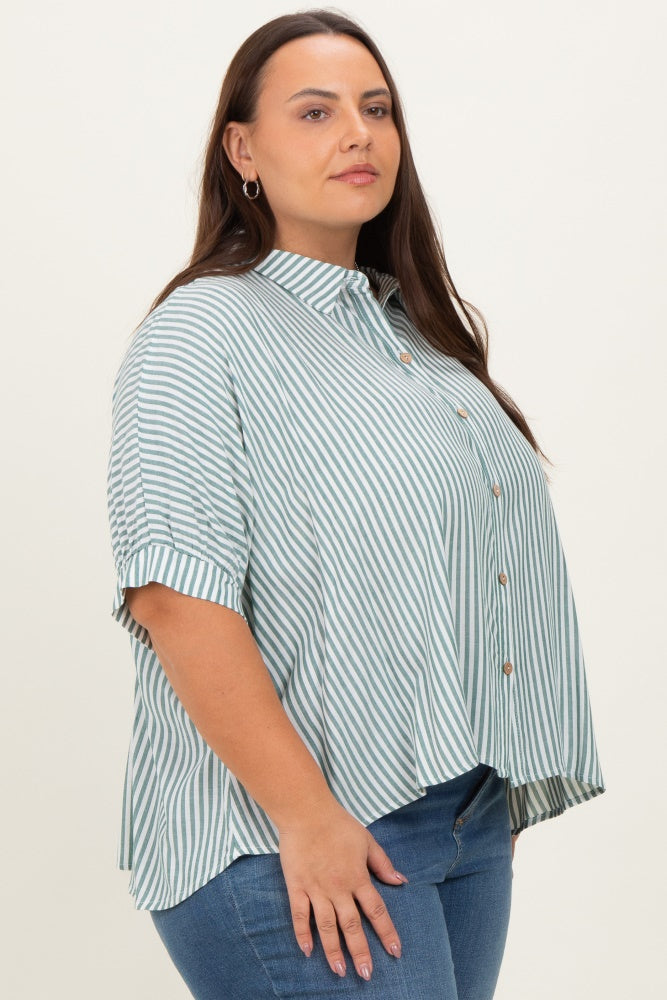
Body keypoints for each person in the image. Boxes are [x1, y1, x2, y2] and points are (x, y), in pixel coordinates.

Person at [106, 9, 606, 999]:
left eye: (376, 109)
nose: (358, 134)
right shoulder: (201, 330)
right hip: (292, 835)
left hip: (459, 821)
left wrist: (481, 793)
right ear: (242, 150)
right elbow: (173, 596)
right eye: (315, 111)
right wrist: (307, 815)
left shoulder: (414, 337)